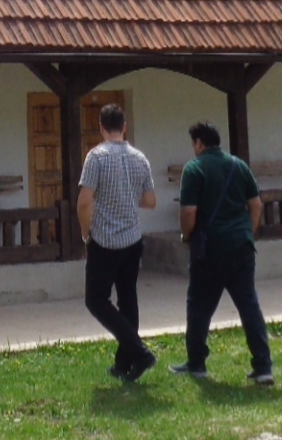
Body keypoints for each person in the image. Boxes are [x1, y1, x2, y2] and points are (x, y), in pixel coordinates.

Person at [171, 120, 271, 385]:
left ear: (199, 143)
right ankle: (263, 366)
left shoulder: (194, 169)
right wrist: (247, 232)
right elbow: (256, 205)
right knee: (248, 305)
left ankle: (196, 363)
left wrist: (187, 236)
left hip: (210, 249)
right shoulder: (239, 165)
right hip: (242, 246)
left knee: (199, 305)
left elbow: (188, 212)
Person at [77, 101, 159, 381]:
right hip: (132, 239)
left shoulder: (96, 158)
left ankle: (140, 352)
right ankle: (124, 364)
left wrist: (85, 233)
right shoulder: (140, 158)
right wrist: (127, 196)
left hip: (104, 240)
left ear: (101, 127)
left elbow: (84, 202)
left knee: (96, 300)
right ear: (124, 127)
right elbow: (150, 201)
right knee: (128, 299)